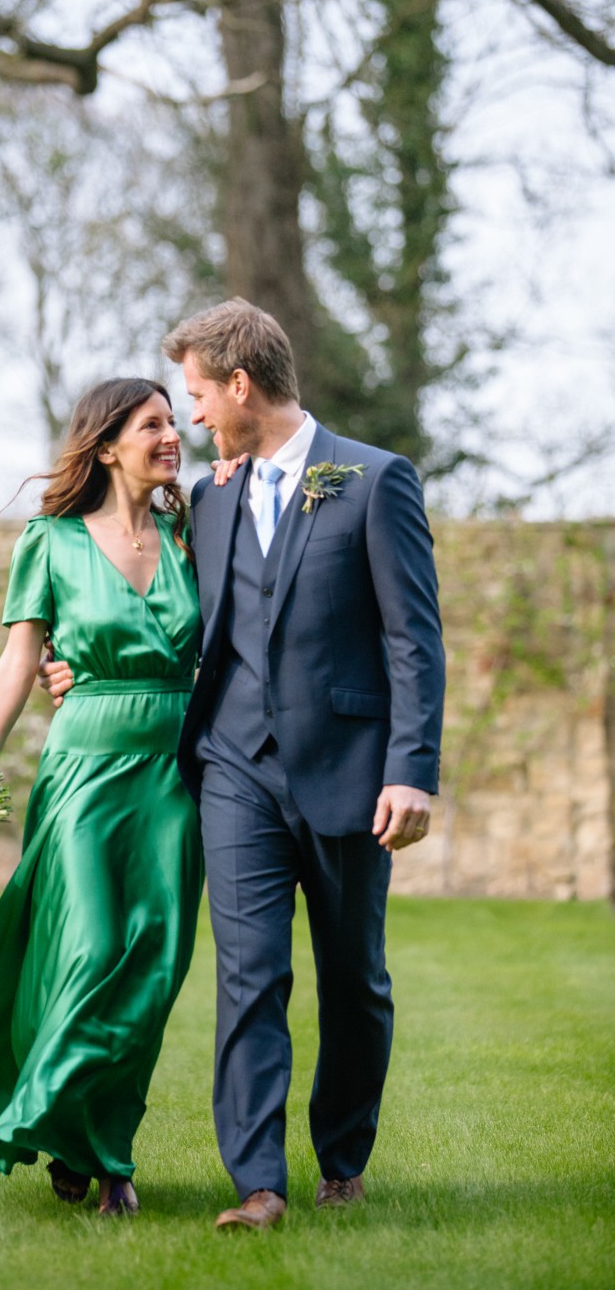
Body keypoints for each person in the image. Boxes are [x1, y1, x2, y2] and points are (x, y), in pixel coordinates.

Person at [42, 298, 445, 1230]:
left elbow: (413, 641)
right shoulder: (210, 499)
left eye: (196, 396)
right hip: (231, 769)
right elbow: (162, 610)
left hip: (349, 769)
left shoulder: (373, 480)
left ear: (239, 384)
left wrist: (411, 768)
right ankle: (257, 1184)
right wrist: (81, 668)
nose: (191, 419)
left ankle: (341, 1160)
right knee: (248, 975)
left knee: (354, 980)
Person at [0, 378, 205, 1216]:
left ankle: (93, 1137)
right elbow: (19, 662)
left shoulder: (194, 532)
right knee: (92, 951)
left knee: (152, 969)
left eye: (174, 421)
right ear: (105, 447)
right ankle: (84, 1142)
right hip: (86, 772)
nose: (172, 436)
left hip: (178, 773)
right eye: (152, 425)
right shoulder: (51, 541)